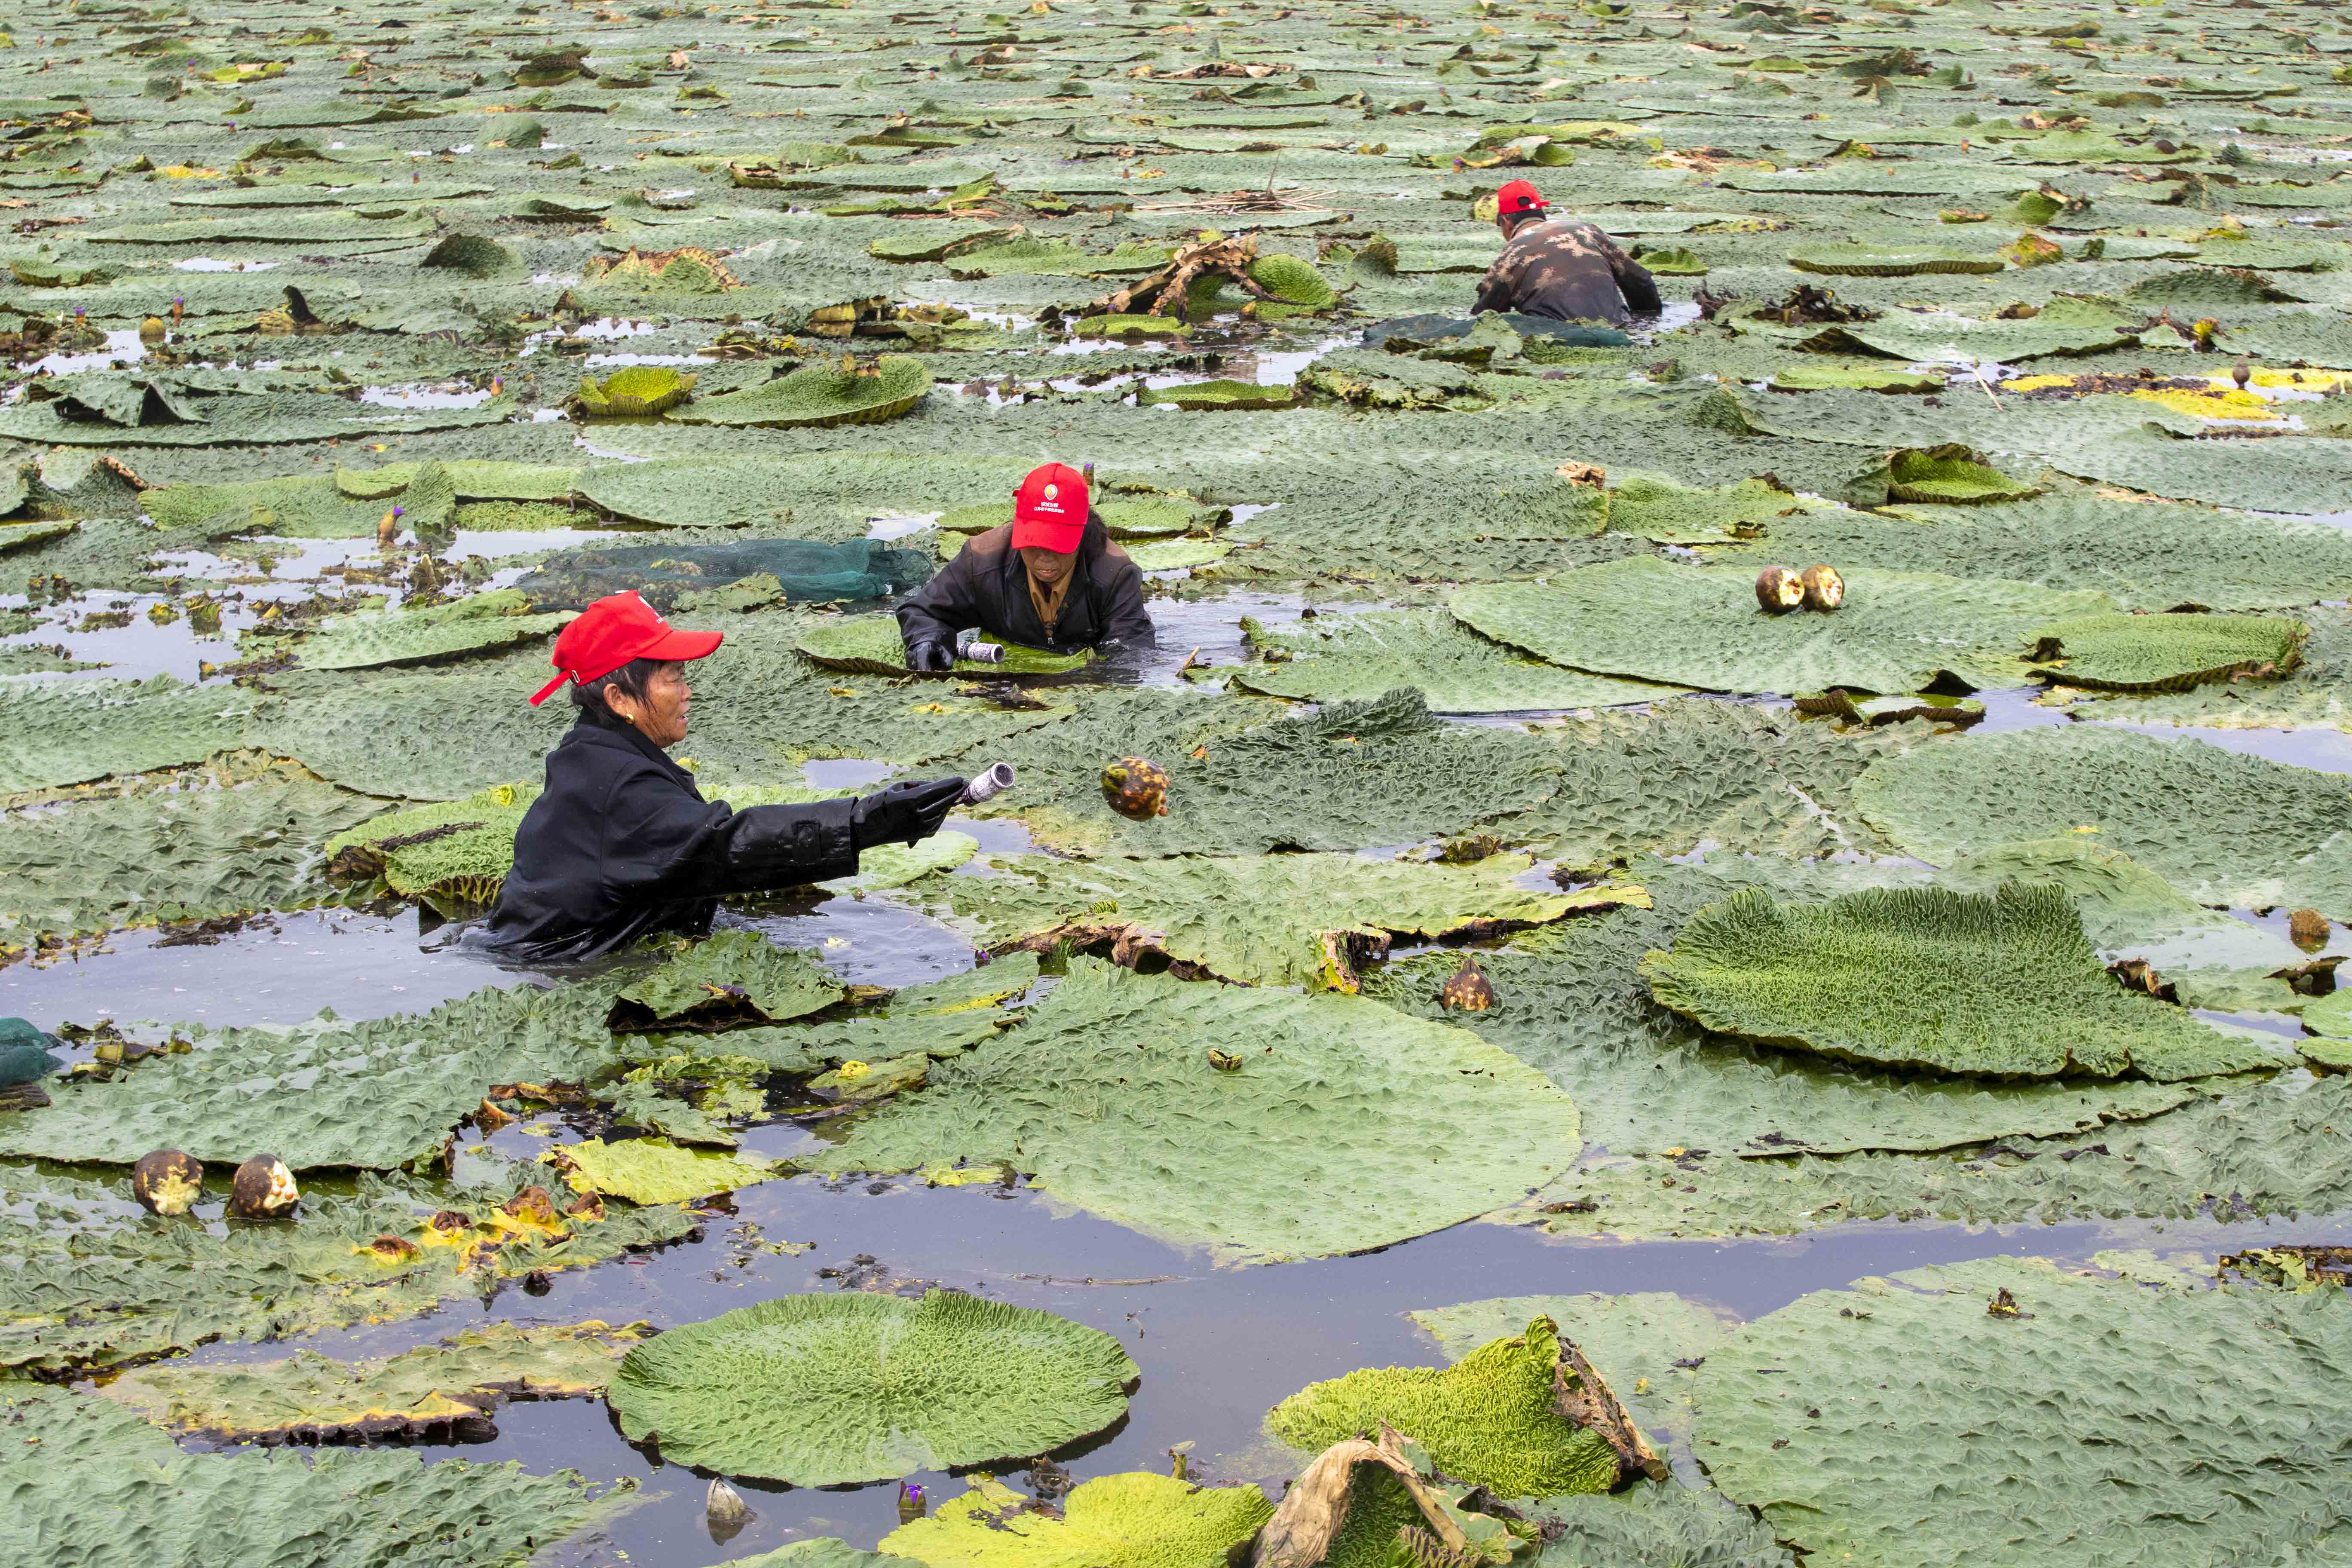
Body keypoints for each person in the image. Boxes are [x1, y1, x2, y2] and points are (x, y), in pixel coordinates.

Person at [480, 591, 965, 962]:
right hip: (557, 968)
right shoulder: (620, 789)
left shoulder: (592, 758)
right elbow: (727, 847)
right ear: (619, 700)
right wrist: (865, 823)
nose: (688, 693)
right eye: (673, 679)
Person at [895, 461, 1155, 670]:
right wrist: (927, 641)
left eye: (1057, 545)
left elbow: (1130, 654)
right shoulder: (981, 559)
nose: (1045, 558)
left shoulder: (1116, 574)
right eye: (1034, 543)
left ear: (1082, 532)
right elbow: (924, 612)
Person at [1472, 179, 1661, 328]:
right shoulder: (1587, 231)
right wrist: (1645, 322)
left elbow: (1487, 315)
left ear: (1506, 222)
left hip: (1560, 337)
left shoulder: (1512, 252)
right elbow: (1641, 281)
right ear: (1541, 211)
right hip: (1618, 328)